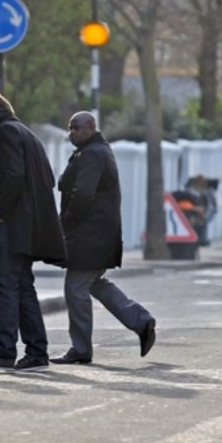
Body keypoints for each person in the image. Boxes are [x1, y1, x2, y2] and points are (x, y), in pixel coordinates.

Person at [0, 94, 66, 372]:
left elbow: (12, 175)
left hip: (14, 225)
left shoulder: (5, 134)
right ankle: (36, 351)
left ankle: (4, 350)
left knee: (7, 285)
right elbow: (47, 176)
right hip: (31, 225)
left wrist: (3, 210)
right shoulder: (27, 134)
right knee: (23, 286)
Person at [53, 111, 155, 365]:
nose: (71, 133)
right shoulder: (90, 152)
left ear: (90, 128)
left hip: (91, 236)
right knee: (94, 283)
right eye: (70, 128)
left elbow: (83, 195)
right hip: (95, 236)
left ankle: (81, 349)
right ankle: (141, 321)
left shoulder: (93, 154)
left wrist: (65, 223)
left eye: (76, 128)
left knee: (75, 287)